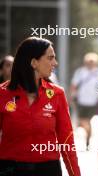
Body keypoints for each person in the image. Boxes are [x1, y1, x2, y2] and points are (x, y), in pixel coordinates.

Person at [0, 37, 80, 176]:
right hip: (9, 169)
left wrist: (75, 174)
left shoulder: (57, 93)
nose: (55, 63)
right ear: (34, 62)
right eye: (50, 58)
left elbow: (66, 140)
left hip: (48, 169)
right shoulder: (2, 93)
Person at [70, 52, 98, 147]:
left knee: (87, 120)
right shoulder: (80, 72)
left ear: (96, 63)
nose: (90, 63)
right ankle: (88, 135)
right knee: (83, 121)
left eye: (92, 62)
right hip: (81, 101)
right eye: (89, 61)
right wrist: (72, 96)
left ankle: (88, 140)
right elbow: (74, 85)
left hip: (94, 102)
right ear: (85, 62)